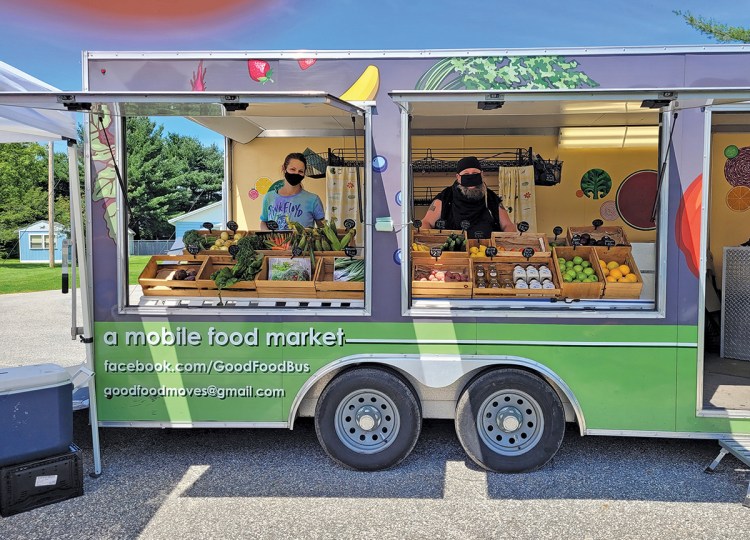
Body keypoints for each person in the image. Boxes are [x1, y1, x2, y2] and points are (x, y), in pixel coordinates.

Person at [421, 156, 516, 238]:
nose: (471, 178)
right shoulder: (445, 197)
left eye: (475, 173)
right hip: (451, 254)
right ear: (458, 177)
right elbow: (426, 222)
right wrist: (428, 242)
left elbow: (507, 225)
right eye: (466, 174)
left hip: (486, 254)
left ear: (482, 175)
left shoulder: (491, 198)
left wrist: (508, 242)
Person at [260, 153, 325, 230]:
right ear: (284, 169)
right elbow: (264, 221)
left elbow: (323, 228)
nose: (296, 173)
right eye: (292, 169)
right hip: (275, 241)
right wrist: (269, 236)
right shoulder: (269, 197)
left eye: (300, 171)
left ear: (304, 174)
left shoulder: (313, 200)